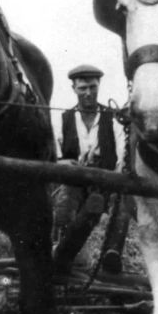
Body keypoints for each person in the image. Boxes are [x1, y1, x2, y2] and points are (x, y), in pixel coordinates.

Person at [52, 65, 130, 274]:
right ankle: (66, 254)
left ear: (99, 86)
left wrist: (113, 177)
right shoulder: (63, 118)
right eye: (83, 88)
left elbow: (123, 152)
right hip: (75, 179)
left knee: (122, 201)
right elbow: (56, 155)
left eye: (93, 87)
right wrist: (63, 163)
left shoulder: (112, 117)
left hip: (105, 180)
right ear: (74, 89)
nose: (88, 93)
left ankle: (111, 253)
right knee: (66, 200)